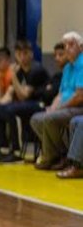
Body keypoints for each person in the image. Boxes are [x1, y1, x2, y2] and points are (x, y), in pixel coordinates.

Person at [0, 40, 49, 163]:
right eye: (19, 54)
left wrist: (13, 76)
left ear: (31, 54)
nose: (22, 57)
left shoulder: (36, 70)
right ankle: (2, 148)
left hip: (39, 104)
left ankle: (16, 150)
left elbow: (24, 96)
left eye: (25, 53)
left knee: (11, 110)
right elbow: (15, 95)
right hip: (26, 104)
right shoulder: (20, 71)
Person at [31, 32, 83, 173]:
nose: (67, 48)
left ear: (81, 47)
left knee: (50, 118)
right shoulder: (67, 68)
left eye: (71, 44)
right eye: (65, 45)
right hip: (65, 107)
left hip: (78, 107)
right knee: (36, 119)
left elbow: (79, 97)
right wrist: (53, 107)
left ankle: (51, 156)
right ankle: (61, 153)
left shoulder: (82, 64)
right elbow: (60, 94)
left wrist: (59, 109)